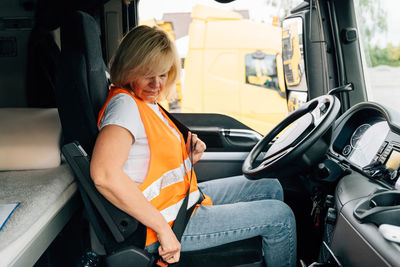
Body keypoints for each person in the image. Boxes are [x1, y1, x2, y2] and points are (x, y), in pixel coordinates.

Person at [90, 25, 297, 267]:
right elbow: (104, 175)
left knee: (269, 185)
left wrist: (185, 156)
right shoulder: (125, 105)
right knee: (280, 217)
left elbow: (145, 161)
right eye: (148, 74)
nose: (157, 84)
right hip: (163, 224)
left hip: (180, 206)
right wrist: (163, 231)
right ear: (129, 68)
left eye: (163, 74)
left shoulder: (144, 101)